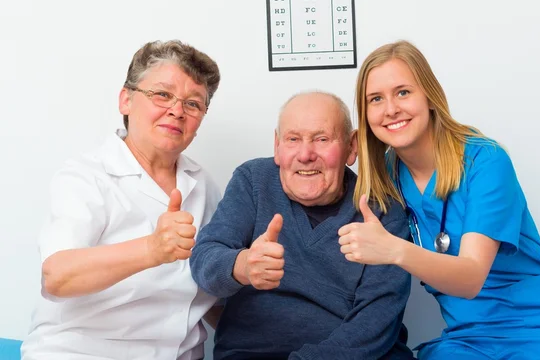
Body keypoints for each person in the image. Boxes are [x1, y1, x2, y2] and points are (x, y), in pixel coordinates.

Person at [337, 40, 540, 359]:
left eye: (403, 92)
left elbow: (471, 277)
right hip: (468, 340)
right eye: (375, 99)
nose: (391, 108)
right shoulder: (385, 178)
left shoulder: (485, 161)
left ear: (430, 97)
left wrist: (394, 249)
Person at [21, 40, 222, 360]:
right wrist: (152, 249)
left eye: (193, 103)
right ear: (126, 100)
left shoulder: (204, 186)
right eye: (162, 94)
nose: (177, 111)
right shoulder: (85, 177)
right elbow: (57, 276)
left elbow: (210, 291)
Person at [190, 92, 415, 360]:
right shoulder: (253, 182)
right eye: (293, 139)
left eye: (321, 139)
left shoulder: (383, 210)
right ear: (277, 145)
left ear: (352, 146)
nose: (305, 155)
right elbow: (204, 260)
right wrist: (242, 265)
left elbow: (377, 321)